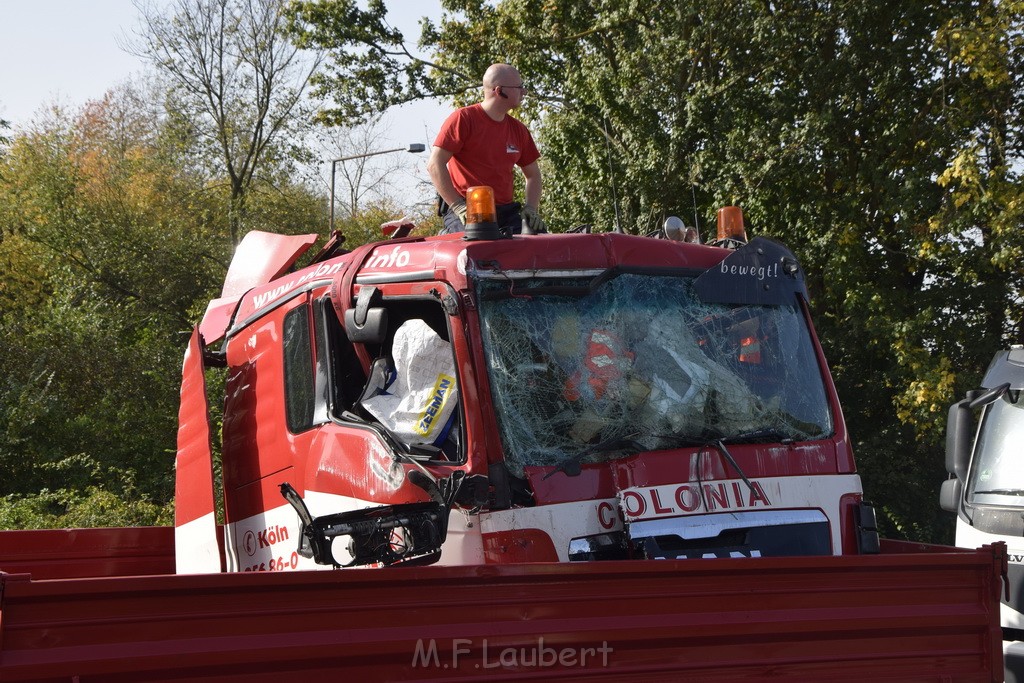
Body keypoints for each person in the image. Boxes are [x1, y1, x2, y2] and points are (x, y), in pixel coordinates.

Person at [427, 63, 546, 235]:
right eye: (519, 87)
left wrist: (530, 209)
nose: (524, 92)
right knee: (478, 245)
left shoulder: (518, 130)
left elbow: (533, 175)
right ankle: (449, 234)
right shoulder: (464, 119)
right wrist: (458, 207)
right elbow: (434, 165)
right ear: (499, 91)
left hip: (505, 212)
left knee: (537, 244)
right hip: (467, 208)